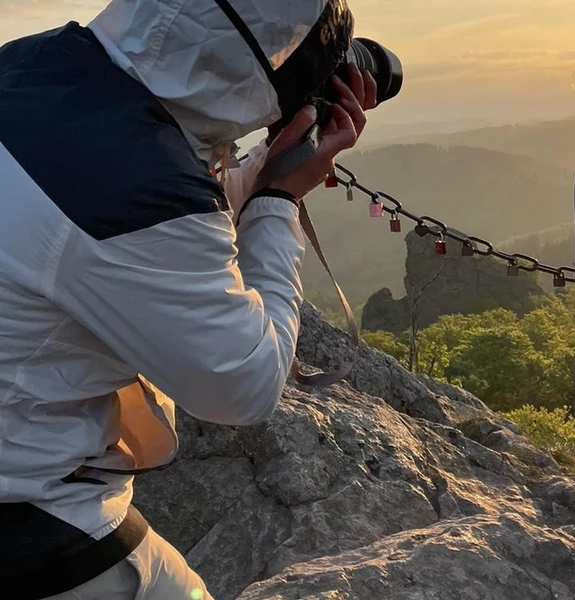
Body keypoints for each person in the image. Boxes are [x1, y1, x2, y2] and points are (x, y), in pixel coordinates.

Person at [0, 0, 377, 598]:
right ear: (257, 72)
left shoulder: (38, 69)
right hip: (29, 521)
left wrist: (266, 166)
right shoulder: (135, 189)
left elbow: (142, 228)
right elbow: (241, 386)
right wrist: (278, 202)